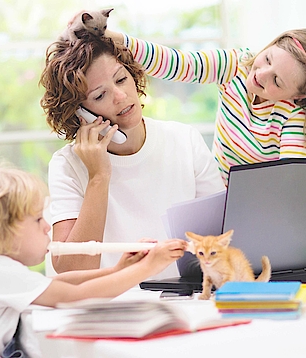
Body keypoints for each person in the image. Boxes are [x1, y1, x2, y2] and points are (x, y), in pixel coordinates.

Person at [0, 167, 187, 357]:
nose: (47, 226)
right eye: (37, 219)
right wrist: (147, 268)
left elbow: (55, 284)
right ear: (1, 233)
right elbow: (73, 296)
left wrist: (118, 270)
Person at [39, 31, 225, 279]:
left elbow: (224, 239)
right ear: (79, 114)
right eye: (99, 95)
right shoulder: (67, 165)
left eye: (120, 79)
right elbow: (72, 271)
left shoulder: (184, 140)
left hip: (184, 300)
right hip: (108, 306)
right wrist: (98, 176)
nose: (120, 96)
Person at [105, 28, 306, 184]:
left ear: (299, 96)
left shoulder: (295, 116)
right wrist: (116, 38)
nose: (261, 74)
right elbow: (178, 64)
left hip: (255, 207)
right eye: (267, 59)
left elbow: (289, 183)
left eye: (277, 81)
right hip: (213, 191)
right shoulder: (236, 65)